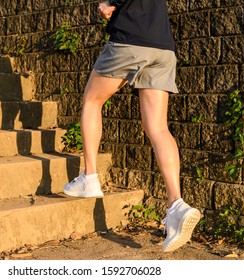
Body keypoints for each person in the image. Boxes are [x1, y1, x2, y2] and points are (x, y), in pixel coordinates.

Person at [63, 0, 201, 252]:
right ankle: (176, 205)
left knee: (92, 102)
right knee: (158, 127)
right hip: (163, 48)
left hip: (130, 40)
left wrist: (109, 3)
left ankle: (89, 177)